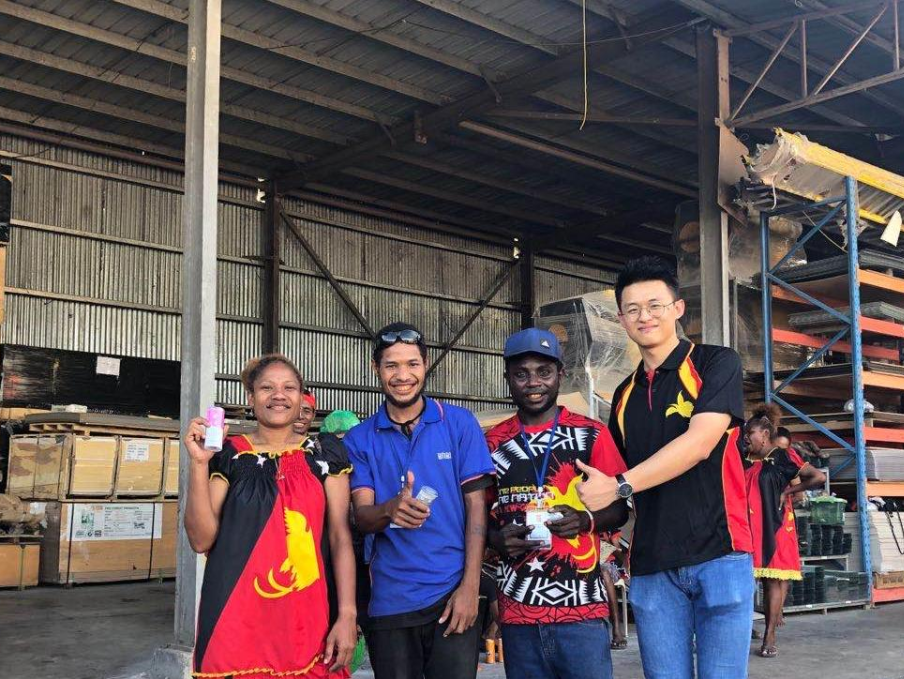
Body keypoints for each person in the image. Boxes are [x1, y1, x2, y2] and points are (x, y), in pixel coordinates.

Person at [576, 256, 754, 679]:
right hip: (653, 565)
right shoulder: (623, 396)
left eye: (655, 305)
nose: (645, 316)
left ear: (677, 309)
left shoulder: (714, 363)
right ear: (622, 320)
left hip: (720, 554)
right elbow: (612, 482)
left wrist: (618, 484)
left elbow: (700, 443)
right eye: (633, 309)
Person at [184, 354, 357, 678]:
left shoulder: (324, 455)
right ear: (251, 398)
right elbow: (200, 540)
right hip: (234, 621)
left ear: (301, 398)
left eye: (289, 388)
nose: (279, 395)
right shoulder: (230, 455)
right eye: (267, 388)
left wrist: (347, 614)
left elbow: (340, 538)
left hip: (308, 621)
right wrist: (198, 463)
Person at [344, 322, 496, 679]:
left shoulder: (458, 424)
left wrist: (470, 588)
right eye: (391, 365)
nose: (402, 376)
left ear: (426, 365)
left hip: (451, 596)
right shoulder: (359, 438)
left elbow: (477, 509)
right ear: (375, 368)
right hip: (390, 601)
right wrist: (389, 509)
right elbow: (362, 517)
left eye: (412, 364)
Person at [485, 328, 628, 679]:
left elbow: (621, 509)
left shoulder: (592, 434)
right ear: (507, 379)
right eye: (521, 374)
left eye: (544, 372)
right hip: (518, 612)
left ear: (560, 375)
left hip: (582, 612)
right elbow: (475, 516)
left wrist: (585, 519)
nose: (534, 382)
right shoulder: (491, 443)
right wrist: (495, 539)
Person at [744, 404, 826, 659]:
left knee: (772, 581)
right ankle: (743, 630)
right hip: (748, 526)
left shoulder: (782, 457)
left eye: (750, 434)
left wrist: (787, 491)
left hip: (776, 526)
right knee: (745, 581)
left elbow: (818, 477)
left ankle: (769, 635)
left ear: (764, 434)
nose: (746, 438)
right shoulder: (743, 458)